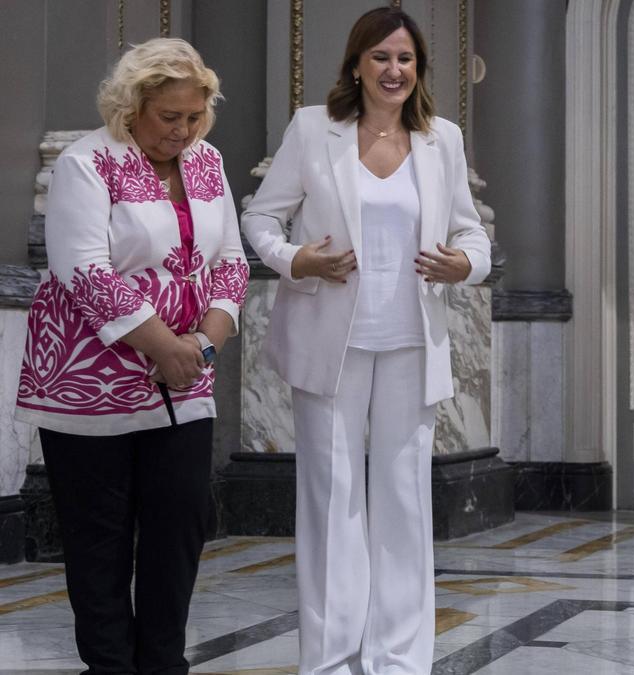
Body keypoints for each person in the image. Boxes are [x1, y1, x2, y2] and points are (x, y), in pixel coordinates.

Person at [241, 7, 491, 675]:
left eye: (405, 59)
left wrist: (463, 264)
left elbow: (473, 236)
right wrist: (299, 259)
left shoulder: (443, 139)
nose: (394, 70)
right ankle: (331, 656)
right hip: (329, 342)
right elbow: (260, 218)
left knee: (404, 498)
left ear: (419, 70)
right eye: (380, 57)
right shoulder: (312, 130)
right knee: (331, 496)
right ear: (357, 64)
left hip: (413, 340)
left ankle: (402, 658)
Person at [16, 38, 248, 674]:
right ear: (131, 107)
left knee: (182, 523)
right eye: (169, 117)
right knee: (100, 539)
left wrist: (205, 340)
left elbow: (230, 258)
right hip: (90, 381)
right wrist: (164, 345)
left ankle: (164, 663)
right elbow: (82, 270)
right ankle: (110, 666)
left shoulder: (208, 161)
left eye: (194, 116)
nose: (183, 131)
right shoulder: (87, 163)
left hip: (186, 372)